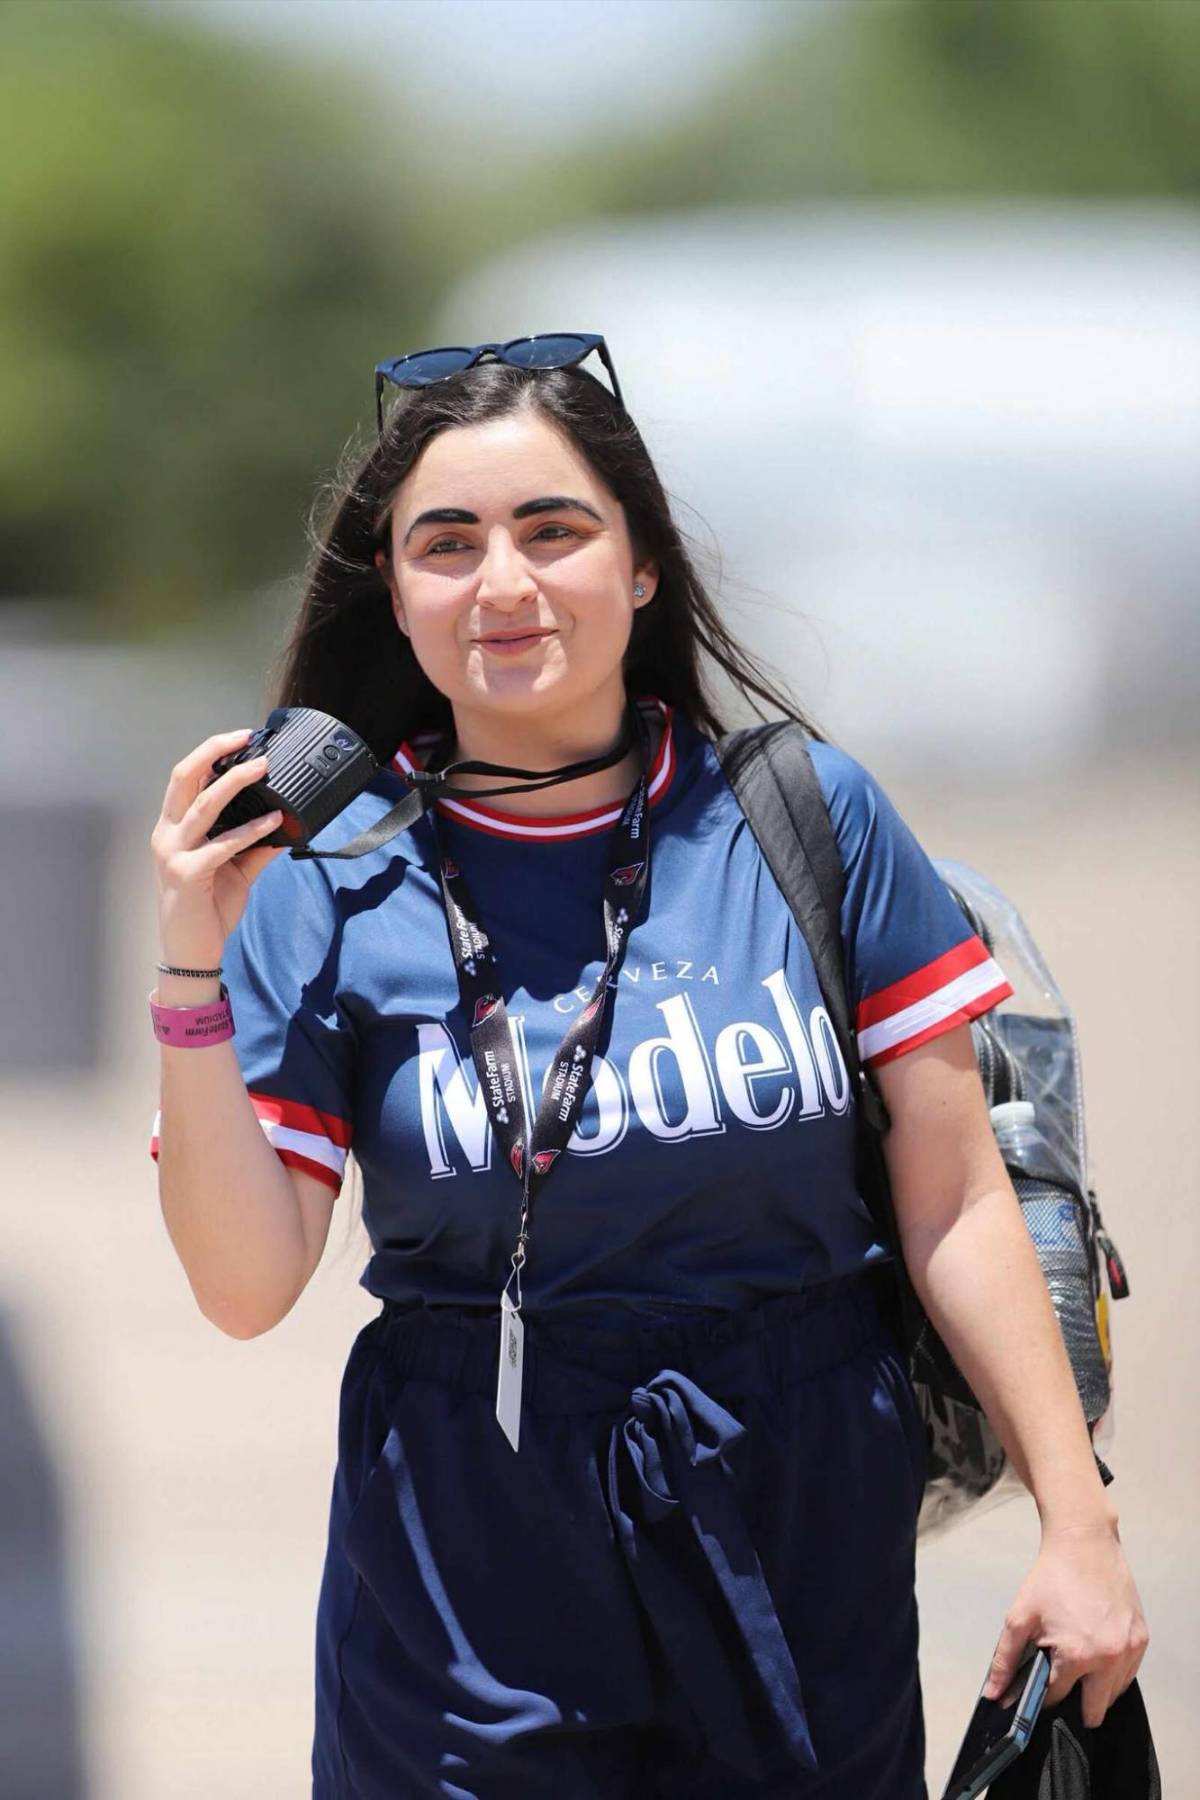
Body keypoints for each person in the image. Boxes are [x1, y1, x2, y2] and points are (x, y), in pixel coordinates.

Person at [148, 336, 1148, 1799]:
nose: (503, 582)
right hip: (469, 1553)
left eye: (554, 531)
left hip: (798, 1517)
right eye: (448, 543)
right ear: (397, 592)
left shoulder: (809, 816)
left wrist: (1080, 1528)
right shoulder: (329, 884)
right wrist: (189, 968)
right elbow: (243, 1288)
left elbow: (955, 1200)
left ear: (641, 569)